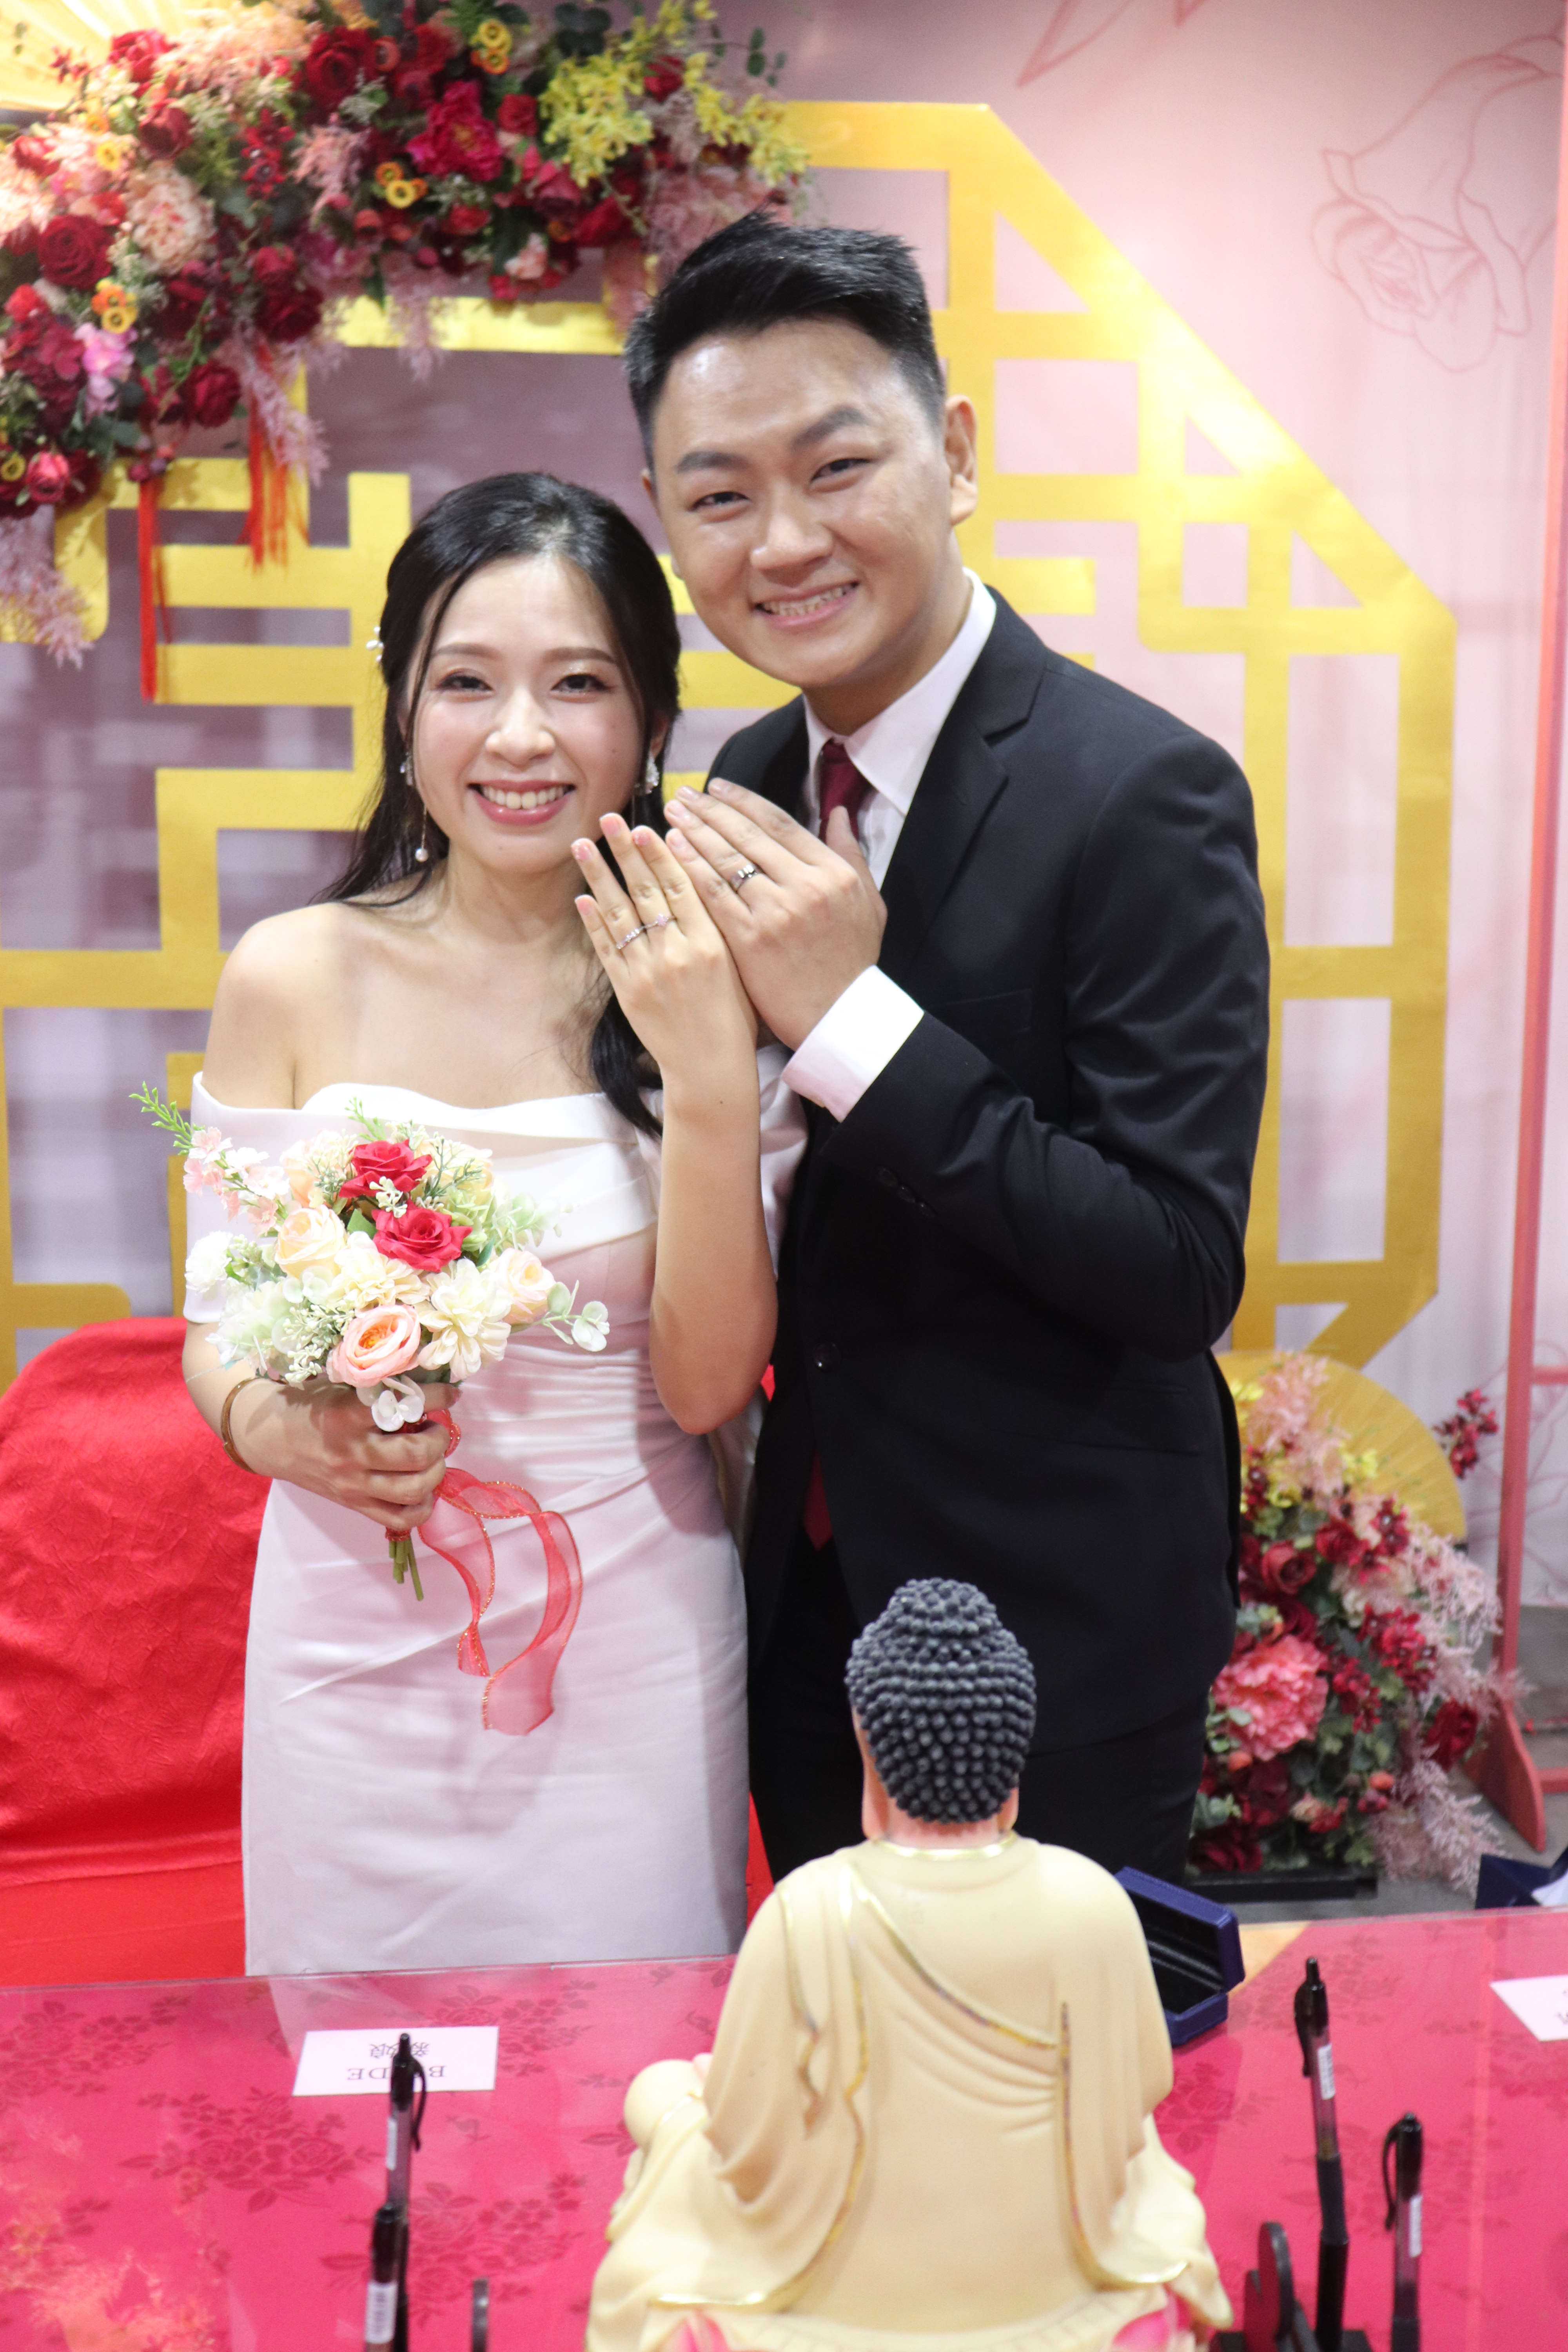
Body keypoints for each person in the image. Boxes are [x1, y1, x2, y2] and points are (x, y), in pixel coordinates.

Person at [624, 212, 1271, 1887]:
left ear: (957, 455)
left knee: (1052, 2058)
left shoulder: (1141, 793)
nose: (784, 542)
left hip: (1059, 1624)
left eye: (837, 467)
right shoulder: (748, 786)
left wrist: (854, 1021)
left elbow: (1176, 1263)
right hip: (808, 1606)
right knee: (828, 2038)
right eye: (719, 496)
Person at [180, 472, 805, 1975]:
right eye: (467, 683)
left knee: (627, 2065)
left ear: (652, 720)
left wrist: (710, 1077)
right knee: (360, 2075)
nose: (520, 737)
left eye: (578, 684)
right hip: (348, 1639)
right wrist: (278, 1428)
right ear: (404, 709)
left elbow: (708, 1387)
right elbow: (218, 1327)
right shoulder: (291, 975)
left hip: (634, 1641)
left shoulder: (717, 982)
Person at [585, 1579, 1232, 2352]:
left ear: (871, 1760)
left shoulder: (809, 1906)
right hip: (1041, 2271)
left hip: (841, 2271)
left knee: (662, 2097)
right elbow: (1140, 2094)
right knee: (1148, 2175)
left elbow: (740, 2135)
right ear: (1012, 1772)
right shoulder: (1089, 1899)